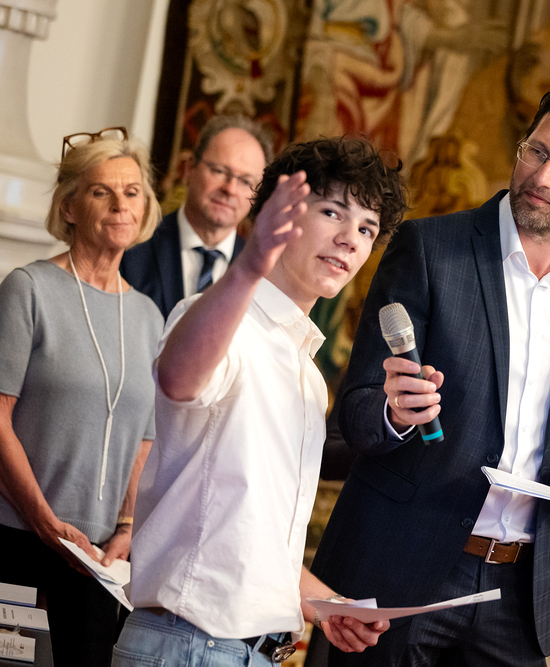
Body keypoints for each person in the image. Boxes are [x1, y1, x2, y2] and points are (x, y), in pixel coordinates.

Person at [311, 84, 550, 666]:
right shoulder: (430, 249)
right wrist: (394, 412)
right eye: (537, 151)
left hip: (516, 591)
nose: (542, 176)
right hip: (397, 569)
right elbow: (357, 410)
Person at [115, 137, 407, 666]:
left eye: (367, 229)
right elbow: (178, 379)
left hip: (253, 652)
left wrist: (329, 606)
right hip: (187, 646)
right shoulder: (217, 319)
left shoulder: (308, 375)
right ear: (279, 214)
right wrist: (249, 265)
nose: (349, 239)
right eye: (332, 212)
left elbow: (252, 540)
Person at [0, 127, 163, 667]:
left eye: (132, 192)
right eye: (102, 191)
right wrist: (45, 523)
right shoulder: (28, 289)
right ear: (69, 207)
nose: (121, 204)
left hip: (97, 558)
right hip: (17, 537)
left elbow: (144, 438)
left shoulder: (148, 316)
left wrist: (127, 528)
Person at [120, 114, 271, 317]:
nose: (230, 189)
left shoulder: (261, 274)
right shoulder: (132, 246)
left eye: (246, 182)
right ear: (189, 169)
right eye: (219, 171)